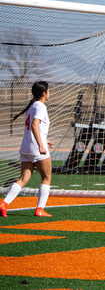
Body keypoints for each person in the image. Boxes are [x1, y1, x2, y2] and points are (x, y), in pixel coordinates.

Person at [1, 81, 54, 217]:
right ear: (44, 93)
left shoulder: (32, 106)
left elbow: (34, 128)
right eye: (48, 90)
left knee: (24, 178)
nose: (50, 93)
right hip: (36, 148)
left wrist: (44, 140)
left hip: (26, 147)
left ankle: (4, 204)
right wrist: (41, 145)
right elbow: (34, 125)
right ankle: (40, 209)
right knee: (46, 178)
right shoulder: (41, 106)